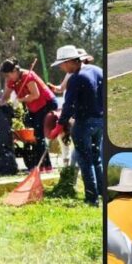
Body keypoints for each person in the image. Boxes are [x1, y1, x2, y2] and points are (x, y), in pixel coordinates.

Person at [53, 45, 103, 206]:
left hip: (83, 123)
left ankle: (92, 199)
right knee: (97, 159)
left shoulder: (76, 78)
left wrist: (59, 125)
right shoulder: (96, 70)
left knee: (85, 161)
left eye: (62, 64)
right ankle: (102, 194)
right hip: (100, 121)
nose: (61, 68)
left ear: (69, 62)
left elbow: (69, 105)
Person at [0, 58, 56, 172]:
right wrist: (1, 103)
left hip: (46, 104)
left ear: (15, 71)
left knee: (38, 135)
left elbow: (35, 95)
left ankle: (44, 166)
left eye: (8, 75)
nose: (7, 78)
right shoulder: (11, 80)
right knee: (34, 135)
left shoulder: (28, 76)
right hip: (33, 107)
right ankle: (39, 164)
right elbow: (5, 96)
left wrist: (19, 99)